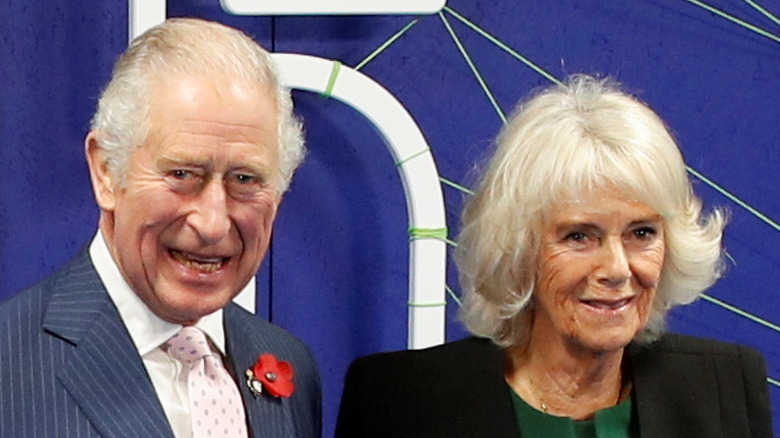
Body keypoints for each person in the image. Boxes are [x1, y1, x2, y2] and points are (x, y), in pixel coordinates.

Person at [335, 75, 772, 438]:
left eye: (642, 232)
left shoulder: (722, 385)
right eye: (580, 236)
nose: (618, 269)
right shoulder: (399, 402)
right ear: (519, 247)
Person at [0, 18, 320, 438]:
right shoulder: (10, 363)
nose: (211, 223)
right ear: (106, 172)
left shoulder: (287, 362)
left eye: (245, 180)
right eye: (183, 174)